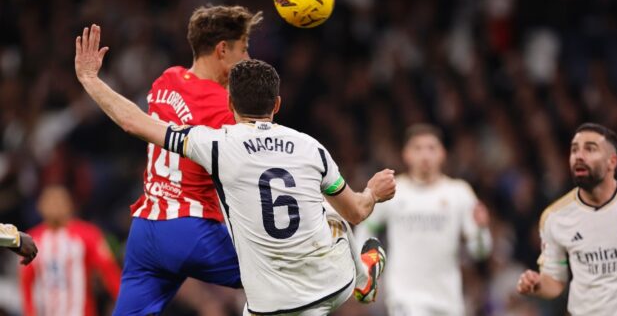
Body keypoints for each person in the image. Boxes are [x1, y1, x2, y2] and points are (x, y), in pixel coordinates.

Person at [75, 23, 395, 315]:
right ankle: (362, 276)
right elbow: (357, 212)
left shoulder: (215, 145)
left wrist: (90, 78)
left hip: (267, 302)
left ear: (229, 105)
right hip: (327, 286)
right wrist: (373, 192)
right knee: (330, 211)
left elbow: (134, 122)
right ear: (277, 104)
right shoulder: (311, 148)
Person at [114, 5, 263, 315]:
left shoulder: (165, 81)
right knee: (280, 277)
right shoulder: (226, 107)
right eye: (244, 49)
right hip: (191, 229)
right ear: (223, 49)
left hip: (145, 228)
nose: (247, 59)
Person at [356, 124, 492, 316]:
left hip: (448, 299)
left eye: (431, 148)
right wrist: (365, 264)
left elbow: (480, 251)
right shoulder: (393, 191)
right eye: (418, 148)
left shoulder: (459, 193)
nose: (425, 155)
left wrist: (481, 229)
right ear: (406, 154)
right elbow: (365, 223)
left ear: (442, 153)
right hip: (405, 297)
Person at [516, 123, 617, 315]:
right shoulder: (555, 217)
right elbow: (556, 281)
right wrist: (538, 284)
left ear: (612, 162)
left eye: (590, 149)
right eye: (574, 150)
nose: (579, 156)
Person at [19, 185, 121, 316]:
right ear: (40, 206)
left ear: (70, 205)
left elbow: (109, 272)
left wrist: (127, 306)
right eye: (50, 202)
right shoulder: (31, 239)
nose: (54, 206)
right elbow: (26, 283)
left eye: (59, 201)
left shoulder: (87, 234)